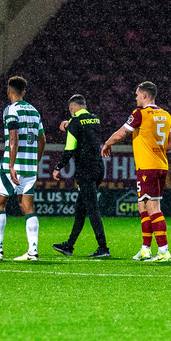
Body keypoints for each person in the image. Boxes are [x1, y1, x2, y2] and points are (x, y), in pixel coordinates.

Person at [102, 82, 171, 262]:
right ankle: (145, 249)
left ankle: (164, 251)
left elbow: (121, 134)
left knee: (153, 208)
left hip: (147, 166)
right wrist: (156, 148)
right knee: (143, 206)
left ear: (144, 95)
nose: (135, 97)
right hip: (160, 164)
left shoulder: (140, 114)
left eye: (137, 94)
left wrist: (107, 143)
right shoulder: (166, 115)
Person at [0, 76, 46, 261]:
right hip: (30, 167)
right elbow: (42, 139)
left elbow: (13, 138)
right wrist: (35, 162)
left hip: (11, 166)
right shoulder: (35, 112)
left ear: (9, 91)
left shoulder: (11, 110)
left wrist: (12, 165)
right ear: (24, 92)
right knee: (27, 207)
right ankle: (33, 251)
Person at [52, 95, 110, 258]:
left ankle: (103, 247)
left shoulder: (75, 123)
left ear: (72, 107)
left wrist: (58, 167)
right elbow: (84, 126)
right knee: (80, 209)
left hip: (85, 170)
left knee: (92, 209)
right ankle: (69, 245)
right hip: (99, 167)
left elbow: (70, 149)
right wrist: (69, 125)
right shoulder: (95, 119)